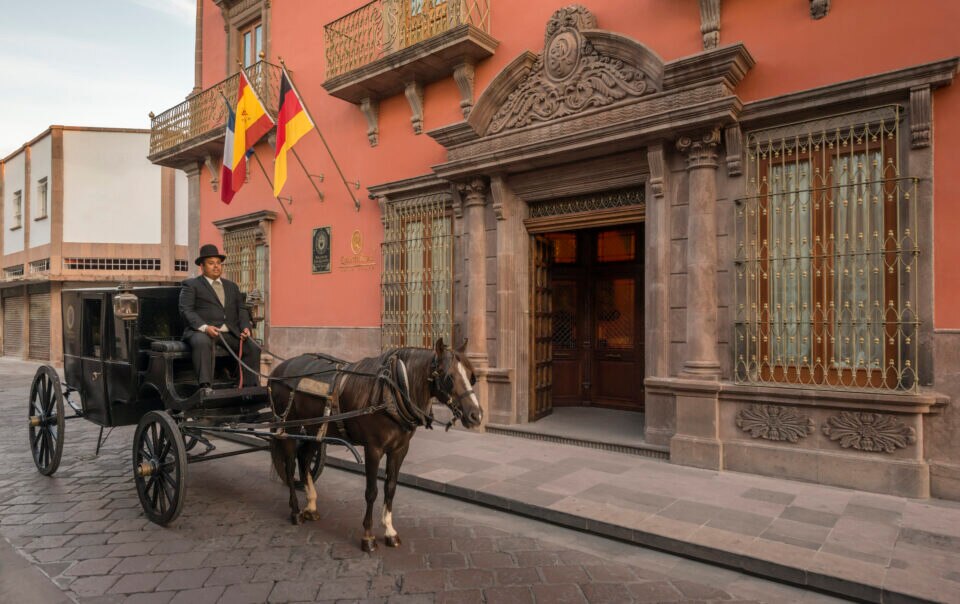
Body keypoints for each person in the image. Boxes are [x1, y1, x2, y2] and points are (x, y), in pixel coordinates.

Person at [179, 244, 261, 389]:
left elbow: (241, 310)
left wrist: (246, 328)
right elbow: (186, 310)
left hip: (228, 333)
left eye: (218, 263)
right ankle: (205, 387)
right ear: (202, 266)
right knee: (202, 342)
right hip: (200, 331)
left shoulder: (232, 286)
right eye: (211, 263)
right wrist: (205, 327)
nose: (216, 266)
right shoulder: (191, 285)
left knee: (253, 347)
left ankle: (250, 388)